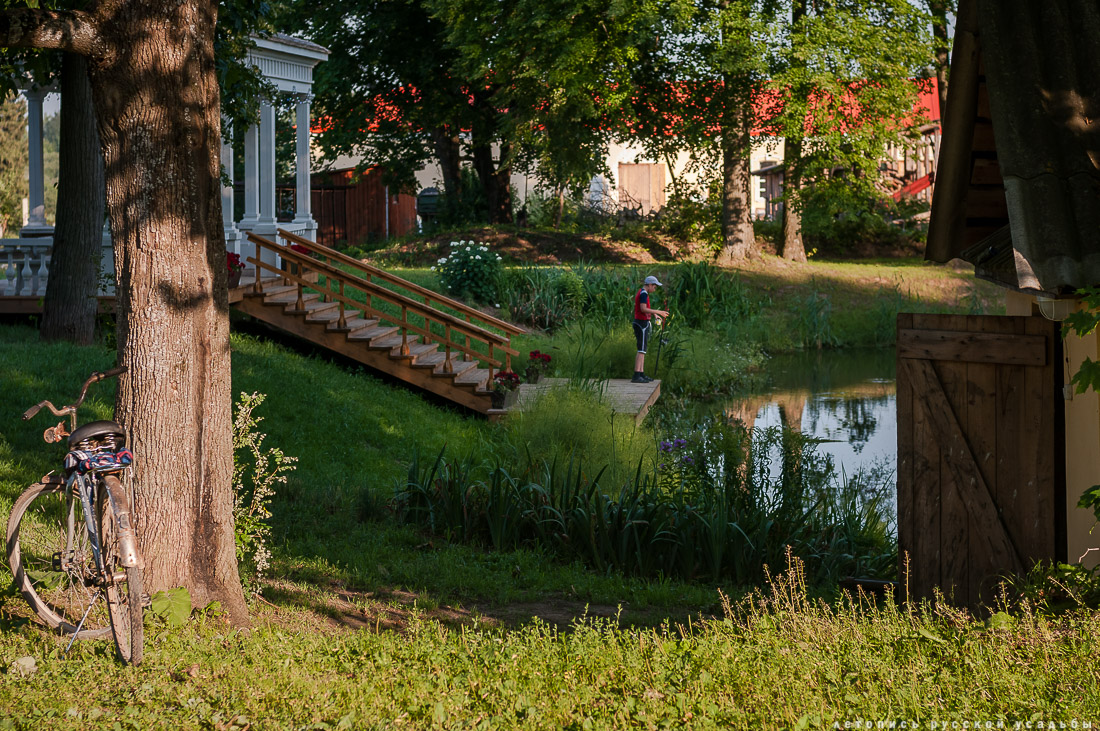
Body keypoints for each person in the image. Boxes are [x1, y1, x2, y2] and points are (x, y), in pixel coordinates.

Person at [632, 275, 669, 383]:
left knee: (643, 349)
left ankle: (641, 373)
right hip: (641, 323)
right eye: (654, 286)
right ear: (649, 285)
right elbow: (643, 309)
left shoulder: (644, 293)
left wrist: (654, 315)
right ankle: (636, 375)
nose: (655, 288)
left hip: (643, 323)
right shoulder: (643, 294)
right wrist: (659, 312)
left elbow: (645, 309)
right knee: (641, 350)